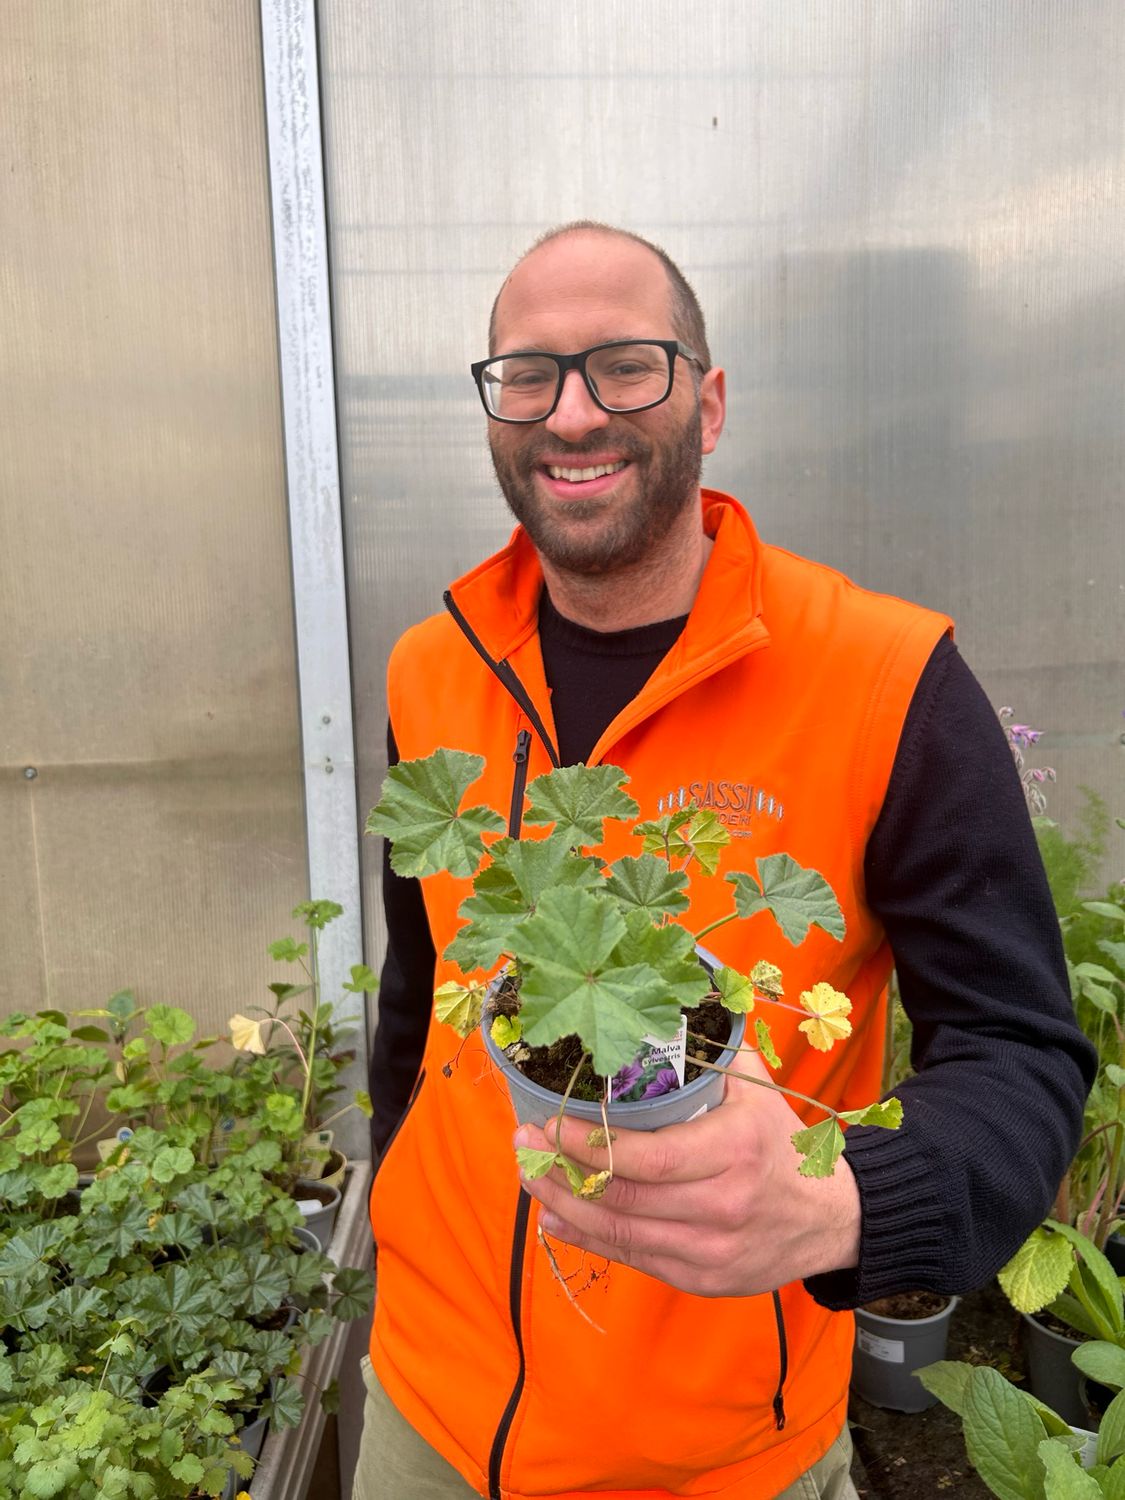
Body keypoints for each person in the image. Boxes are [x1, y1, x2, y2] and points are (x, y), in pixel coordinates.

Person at [357, 222, 1094, 1500]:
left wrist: (845, 1205)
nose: (571, 413)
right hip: (423, 1407)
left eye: (626, 365)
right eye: (527, 374)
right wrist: (387, 1209)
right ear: (492, 411)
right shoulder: (434, 666)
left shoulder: (887, 680)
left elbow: (1024, 1055)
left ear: (710, 397)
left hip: (722, 1458)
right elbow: (416, 1000)